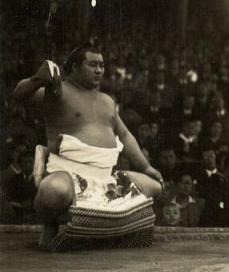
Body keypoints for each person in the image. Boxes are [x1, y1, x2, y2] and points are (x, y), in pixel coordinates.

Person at [12, 44, 163, 250]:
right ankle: (50, 225)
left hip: (107, 177)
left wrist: (146, 167)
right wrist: (38, 79)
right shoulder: (59, 91)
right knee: (52, 193)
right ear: (74, 66)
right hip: (68, 173)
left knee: (154, 186)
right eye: (92, 65)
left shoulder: (107, 101)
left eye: (101, 65)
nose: (99, 70)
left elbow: (125, 136)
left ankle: (111, 232)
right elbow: (20, 95)